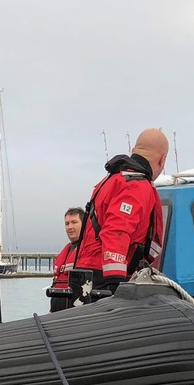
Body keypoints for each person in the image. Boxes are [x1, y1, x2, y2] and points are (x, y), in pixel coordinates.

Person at [73, 127, 168, 298]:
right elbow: (116, 231)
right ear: (163, 159)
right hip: (104, 277)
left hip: (87, 273)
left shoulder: (113, 180)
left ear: (134, 150)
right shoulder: (136, 186)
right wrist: (115, 285)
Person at [47, 207, 86, 313]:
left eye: (74, 222)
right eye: (67, 223)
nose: (70, 227)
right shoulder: (65, 252)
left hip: (73, 312)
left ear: (84, 224)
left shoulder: (87, 250)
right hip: (56, 311)